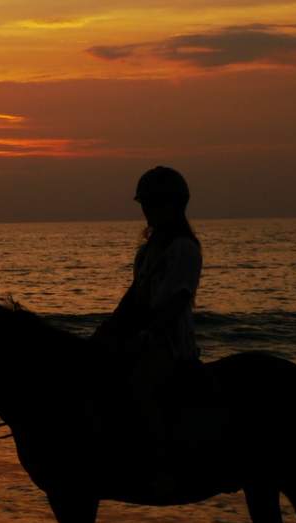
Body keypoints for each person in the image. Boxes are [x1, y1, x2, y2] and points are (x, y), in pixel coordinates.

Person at [92, 166, 202, 488]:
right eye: (146, 205)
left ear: (173, 206)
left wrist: (148, 333)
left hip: (169, 344)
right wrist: (108, 329)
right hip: (143, 336)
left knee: (142, 385)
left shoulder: (184, 249)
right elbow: (134, 298)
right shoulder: (148, 252)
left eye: (153, 205)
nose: (147, 212)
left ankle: (160, 458)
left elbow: (178, 301)